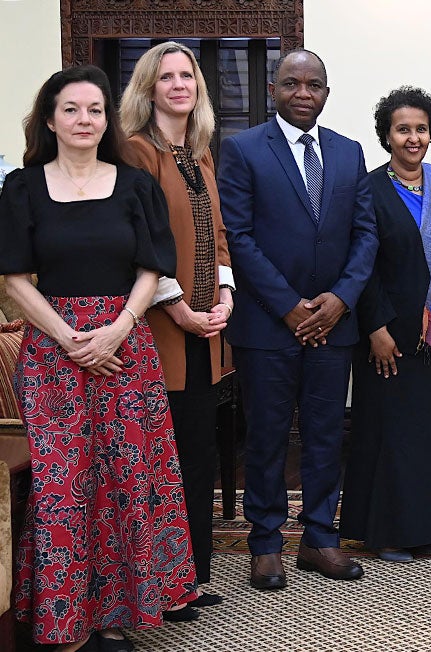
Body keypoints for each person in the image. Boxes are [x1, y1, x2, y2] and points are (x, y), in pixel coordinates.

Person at [0, 65, 196, 652]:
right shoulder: (22, 186)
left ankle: (117, 613)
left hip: (125, 349)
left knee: (127, 482)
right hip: (52, 352)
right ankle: (64, 625)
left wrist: (117, 330)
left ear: (106, 120)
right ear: (50, 120)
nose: (84, 120)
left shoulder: (135, 185)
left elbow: (152, 268)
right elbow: (12, 278)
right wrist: (69, 337)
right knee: (64, 485)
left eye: (94, 110)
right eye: (71, 109)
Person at [217, 49, 377, 589]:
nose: (303, 93)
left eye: (314, 85)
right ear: (273, 89)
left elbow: (365, 235)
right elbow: (237, 237)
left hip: (334, 324)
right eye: (292, 83)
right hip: (267, 325)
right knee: (265, 436)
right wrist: (288, 306)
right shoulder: (241, 150)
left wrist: (340, 299)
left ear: (327, 93)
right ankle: (265, 543)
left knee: (327, 434)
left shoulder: (349, 152)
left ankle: (319, 539)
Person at [120, 41, 233, 603]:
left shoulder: (201, 153)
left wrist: (226, 293)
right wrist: (178, 308)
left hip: (206, 328)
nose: (178, 84)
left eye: (186, 75)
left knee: (197, 452)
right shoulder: (137, 153)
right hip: (163, 328)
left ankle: (191, 576)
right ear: (148, 88)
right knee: (162, 459)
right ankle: (162, 582)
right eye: (166, 76)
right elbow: (142, 239)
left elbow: (218, 235)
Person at [339, 86, 431, 562]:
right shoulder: (367, 188)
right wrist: (375, 327)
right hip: (386, 335)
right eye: (403, 130)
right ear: (386, 136)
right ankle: (387, 531)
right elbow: (360, 264)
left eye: (421, 129)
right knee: (388, 431)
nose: (413, 138)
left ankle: (429, 527)